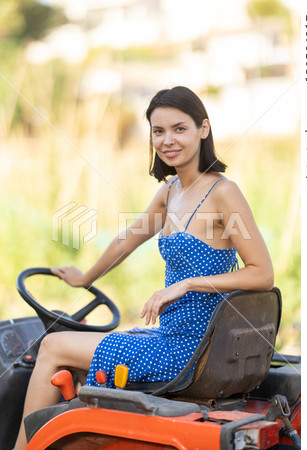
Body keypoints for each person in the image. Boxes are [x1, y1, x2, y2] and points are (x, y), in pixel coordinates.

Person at [14, 86, 274, 449]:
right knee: (72, 359)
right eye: (158, 131)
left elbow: (262, 273)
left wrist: (186, 284)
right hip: (167, 336)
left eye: (179, 129)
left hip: (189, 349)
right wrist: (84, 278)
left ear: (203, 129)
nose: (167, 140)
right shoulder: (170, 192)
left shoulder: (223, 193)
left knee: (53, 346)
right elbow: (127, 240)